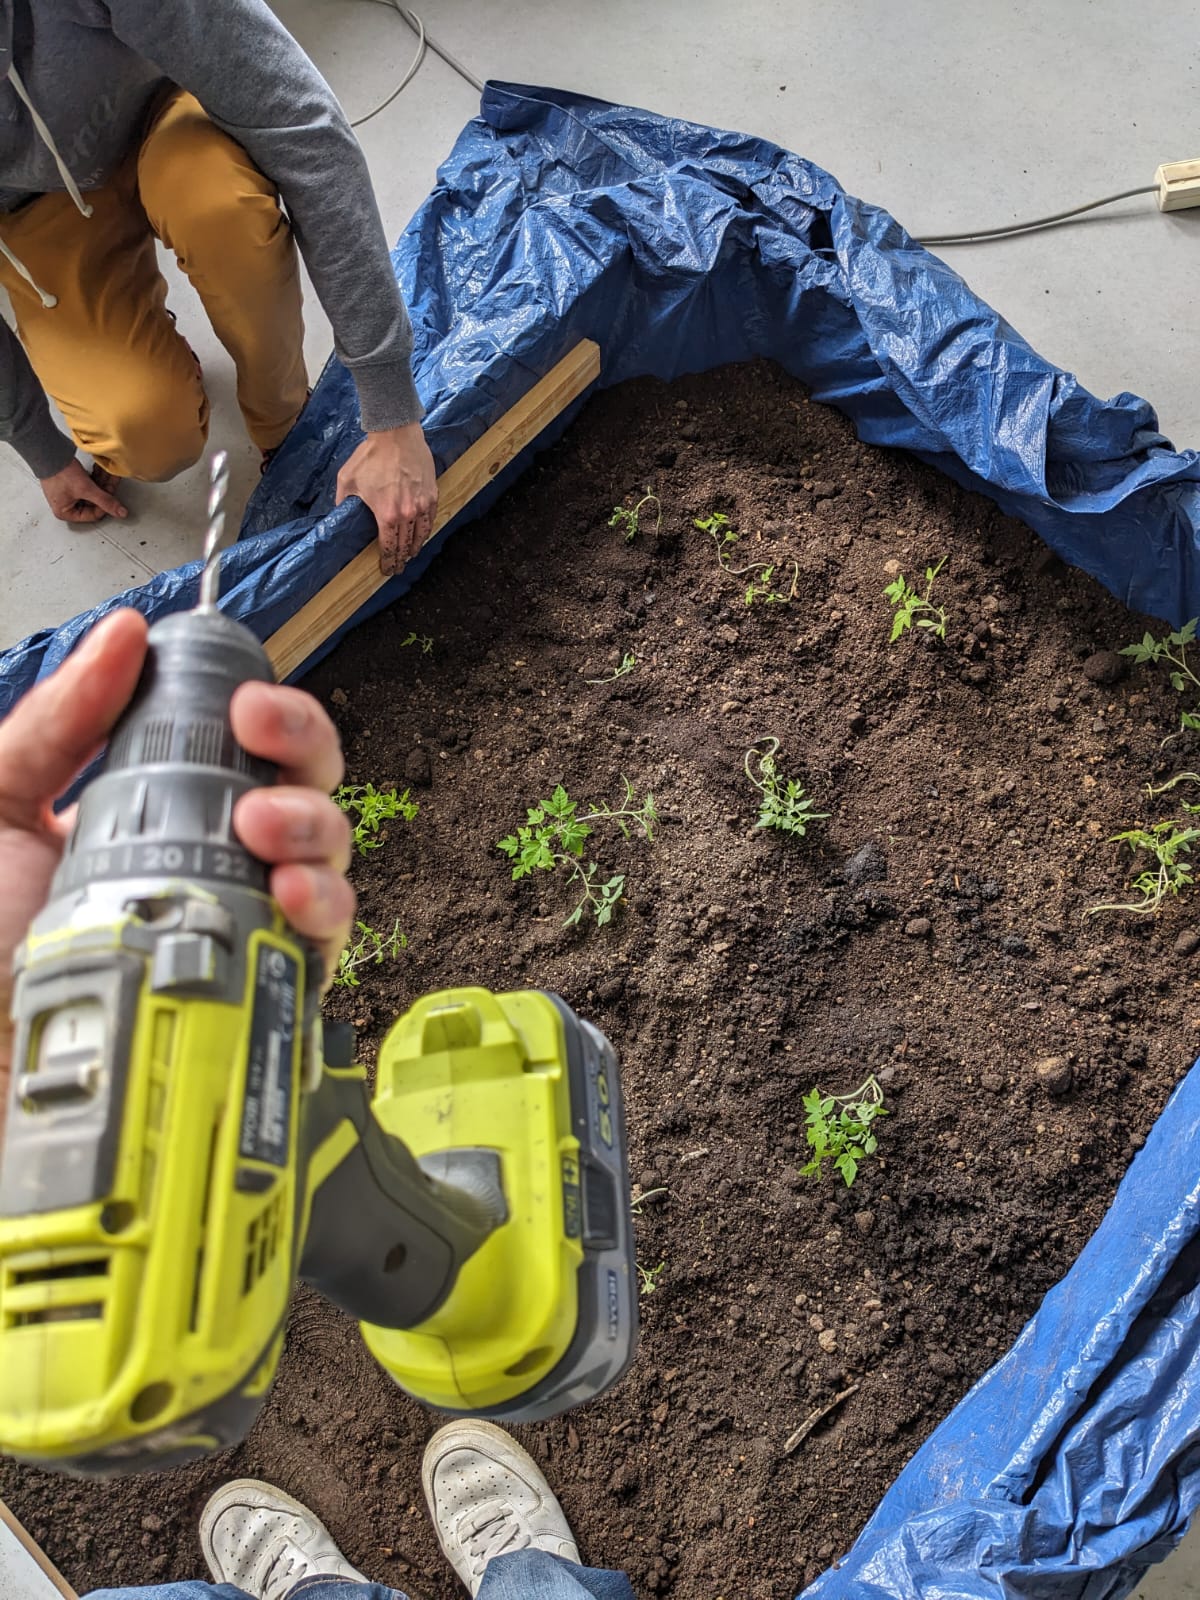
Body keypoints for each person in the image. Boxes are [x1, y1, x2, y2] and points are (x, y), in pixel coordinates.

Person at [0, 612, 637, 1600]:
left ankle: (321, 1595)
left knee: (298, 1124)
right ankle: (531, 1574)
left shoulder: (68, 926)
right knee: (314, 1136)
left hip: (84, 1335)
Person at [0, 2, 436, 575]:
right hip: (35, 206)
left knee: (227, 220)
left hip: (159, 106)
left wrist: (392, 413)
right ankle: (150, 346)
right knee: (143, 433)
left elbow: (300, 123)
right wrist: (43, 451)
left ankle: (284, 420)